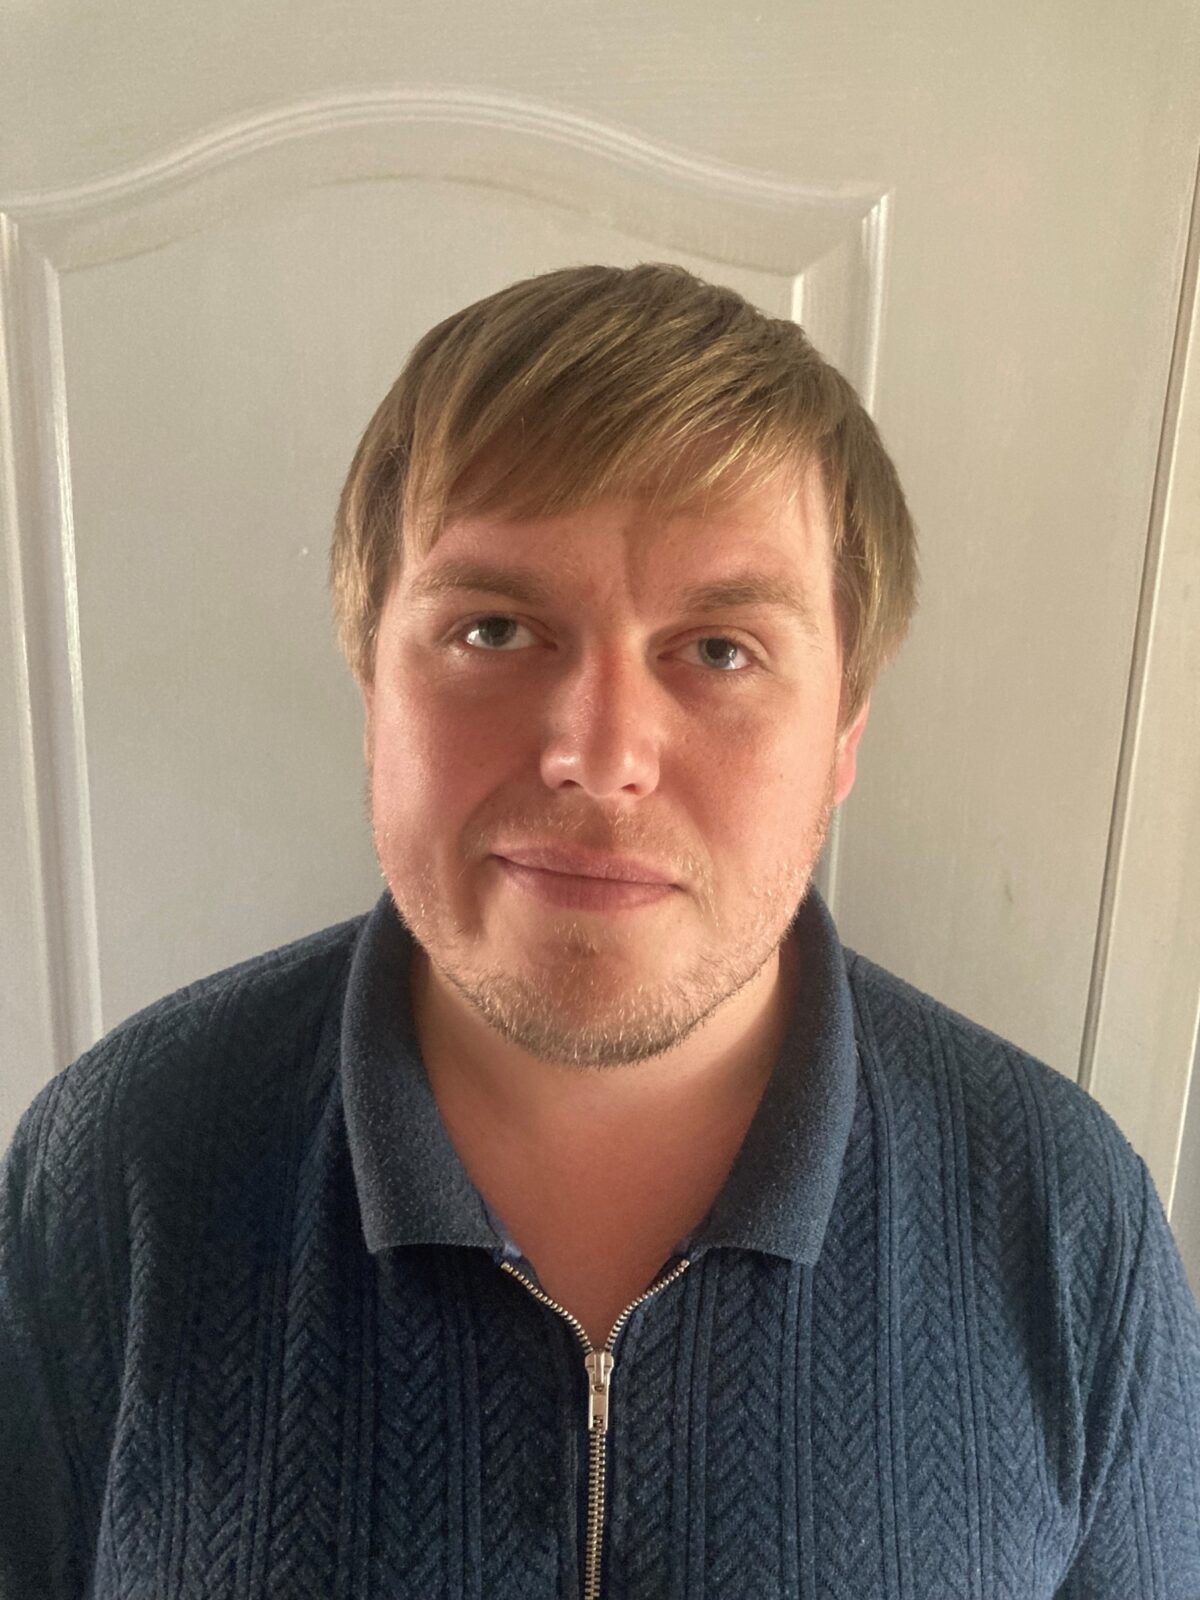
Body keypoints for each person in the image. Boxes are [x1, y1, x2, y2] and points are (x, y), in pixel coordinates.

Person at [1, 263, 1197, 1600]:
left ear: (846, 730)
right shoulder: (114, 1172)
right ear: (370, 678)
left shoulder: (1067, 1222)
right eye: (496, 627)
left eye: (722, 649)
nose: (600, 753)